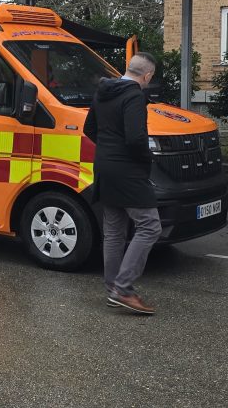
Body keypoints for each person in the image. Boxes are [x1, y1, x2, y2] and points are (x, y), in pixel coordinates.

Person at [83, 52, 160, 315]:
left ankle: (113, 288)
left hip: (104, 166)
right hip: (127, 170)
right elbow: (136, 138)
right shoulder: (134, 95)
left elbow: (89, 129)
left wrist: (108, 149)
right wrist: (147, 160)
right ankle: (123, 289)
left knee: (114, 231)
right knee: (150, 225)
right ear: (147, 75)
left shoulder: (103, 91)